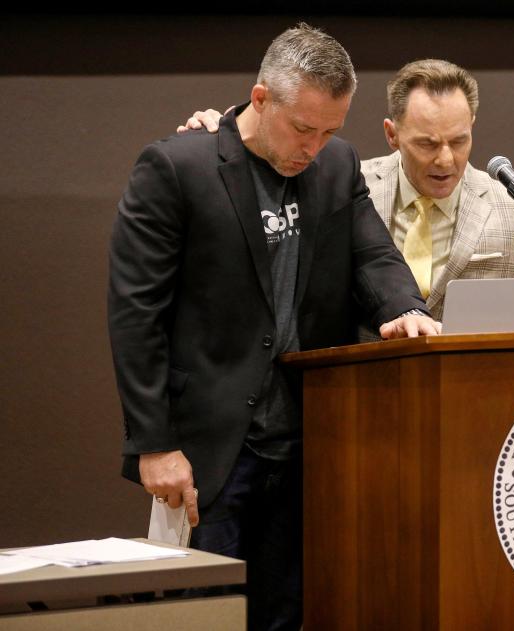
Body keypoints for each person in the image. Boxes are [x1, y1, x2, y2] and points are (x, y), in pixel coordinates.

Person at [108, 24, 438, 631]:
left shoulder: (337, 166)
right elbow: (136, 313)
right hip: (208, 451)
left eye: (330, 130)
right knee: (200, 617)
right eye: (302, 128)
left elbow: (373, 255)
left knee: (287, 614)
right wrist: (153, 443)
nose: (313, 146)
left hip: (302, 444)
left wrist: (405, 308)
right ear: (260, 100)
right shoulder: (178, 166)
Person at [181, 58, 514, 319]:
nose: (445, 160)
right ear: (392, 134)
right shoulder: (348, 186)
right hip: (365, 399)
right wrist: (224, 132)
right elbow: (266, 161)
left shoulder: (508, 202)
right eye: (427, 144)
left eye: (459, 141)